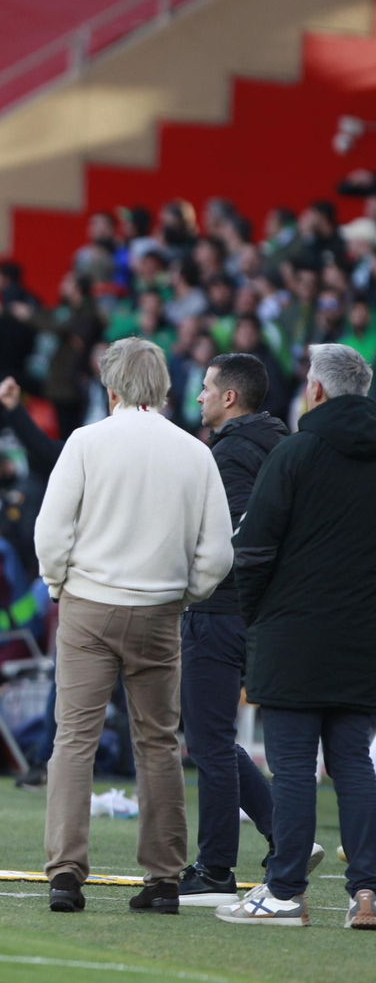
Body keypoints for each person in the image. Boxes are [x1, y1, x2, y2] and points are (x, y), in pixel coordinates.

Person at [34, 337, 233, 915]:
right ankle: (165, 878)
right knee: (159, 744)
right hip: (160, 612)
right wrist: (183, 593)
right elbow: (218, 553)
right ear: (166, 388)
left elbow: (51, 532)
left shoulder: (86, 442)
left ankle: (65, 874)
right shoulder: (195, 452)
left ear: (112, 387)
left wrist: (58, 585)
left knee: (73, 741)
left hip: (88, 605)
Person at [221, 344, 376, 929]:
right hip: (362, 636)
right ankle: (369, 891)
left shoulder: (296, 452)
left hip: (292, 631)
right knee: (353, 764)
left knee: (291, 765)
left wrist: (259, 614)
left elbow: (252, 549)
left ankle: (284, 890)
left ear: (316, 391)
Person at [178, 353, 289, 906]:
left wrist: (197, 580)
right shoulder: (277, 444)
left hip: (220, 610)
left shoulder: (232, 453)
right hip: (259, 615)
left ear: (229, 398)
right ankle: (284, 833)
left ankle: (215, 867)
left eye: (204, 388)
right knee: (213, 737)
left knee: (208, 741)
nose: (197, 397)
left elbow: (239, 537)